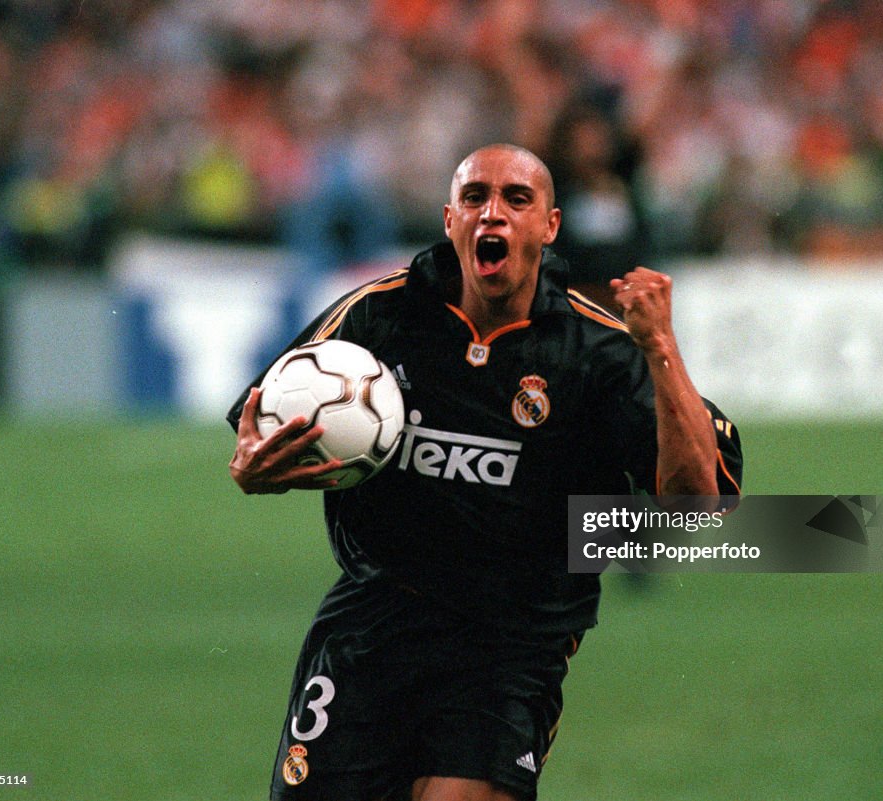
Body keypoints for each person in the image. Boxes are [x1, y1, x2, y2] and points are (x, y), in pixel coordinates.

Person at [227, 143, 743, 801]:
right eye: (475, 198)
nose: (492, 214)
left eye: (515, 199)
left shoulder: (599, 352)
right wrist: (252, 467)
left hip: (511, 641)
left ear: (549, 226)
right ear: (450, 219)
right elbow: (256, 425)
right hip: (376, 621)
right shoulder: (377, 316)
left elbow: (698, 502)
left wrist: (661, 348)